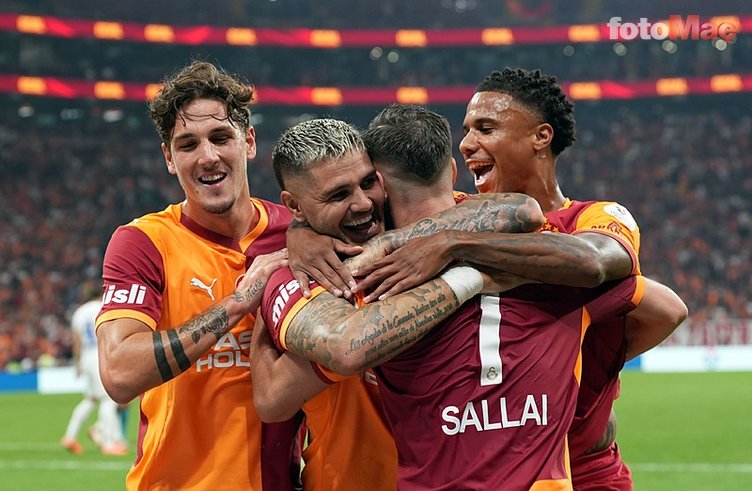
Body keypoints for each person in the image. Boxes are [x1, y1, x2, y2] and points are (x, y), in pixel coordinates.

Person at [256, 108, 650, 490]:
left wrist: (424, 243)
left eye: (367, 183)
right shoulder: (301, 275)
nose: (362, 203)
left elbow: (521, 209)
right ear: (295, 206)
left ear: (383, 181)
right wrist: (472, 277)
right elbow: (281, 394)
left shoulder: (473, 229)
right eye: (338, 195)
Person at [354, 71, 688, 490]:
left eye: (485, 128)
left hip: (585, 470)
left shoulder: (591, 219)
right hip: (485, 456)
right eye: (466, 130)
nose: (466, 143)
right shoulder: (457, 211)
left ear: (540, 137)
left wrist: (585, 356)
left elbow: (598, 264)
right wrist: (300, 240)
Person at [95, 60, 301, 490]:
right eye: (188, 144)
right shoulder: (144, 242)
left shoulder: (296, 233)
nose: (208, 157)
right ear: (170, 158)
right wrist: (237, 304)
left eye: (220, 138)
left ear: (248, 142)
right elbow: (118, 374)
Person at [61, 284, 126, 456]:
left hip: (86, 358)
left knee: (90, 399)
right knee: (108, 400)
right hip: (101, 356)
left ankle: (69, 436)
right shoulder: (104, 307)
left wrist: (77, 364)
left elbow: (77, 341)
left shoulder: (79, 312)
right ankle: (108, 443)